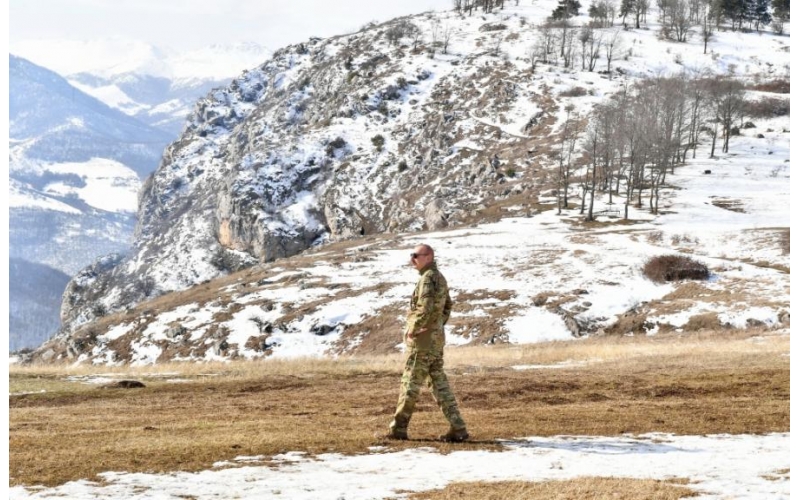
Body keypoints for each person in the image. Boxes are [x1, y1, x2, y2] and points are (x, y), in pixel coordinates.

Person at [387, 244, 469, 442]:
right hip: (435, 341)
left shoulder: (428, 278)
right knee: (439, 384)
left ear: (429, 257)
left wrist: (414, 329)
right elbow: (447, 306)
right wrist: (437, 326)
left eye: (416, 256)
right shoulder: (439, 278)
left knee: (410, 383)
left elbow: (426, 307)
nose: (412, 259)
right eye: (411, 255)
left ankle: (398, 429)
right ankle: (458, 428)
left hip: (422, 342)